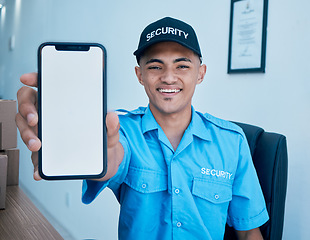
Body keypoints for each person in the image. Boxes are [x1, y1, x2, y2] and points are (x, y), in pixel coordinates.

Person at [16, 17, 269, 239]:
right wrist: (90, 147)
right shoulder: (121, 130)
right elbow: (112, 158)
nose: (169, 77)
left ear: (200, 73)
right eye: (155, 66)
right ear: (139, 75)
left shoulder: (231, 142)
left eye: (182, 66)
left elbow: (247, 232)